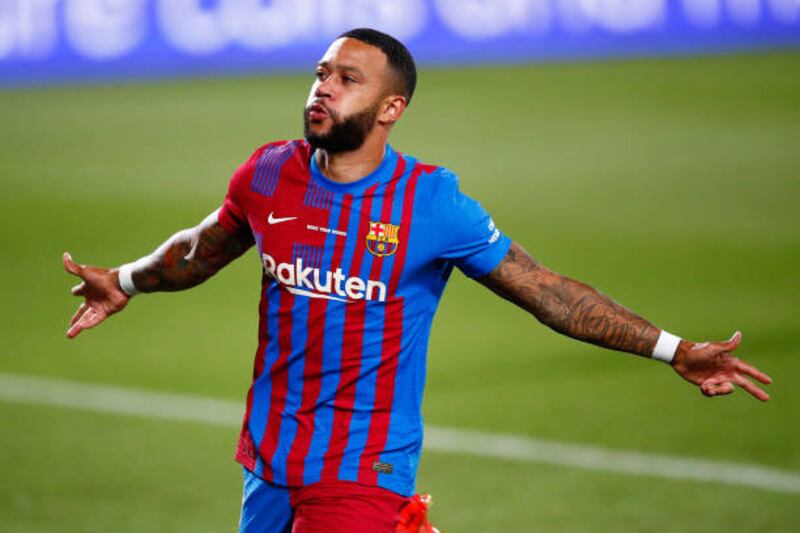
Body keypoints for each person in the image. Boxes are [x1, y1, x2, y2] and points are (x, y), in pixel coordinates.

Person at [63, 28, 771, 533]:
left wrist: (673, 348)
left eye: (347, 80)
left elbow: (545, 290)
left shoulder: (430, 203)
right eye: (321, 73)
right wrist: (126, 278)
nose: (323, 89)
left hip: (363, 467)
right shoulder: (268, 171)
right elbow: (206, 246)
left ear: (391, 108)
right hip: (270, 457)